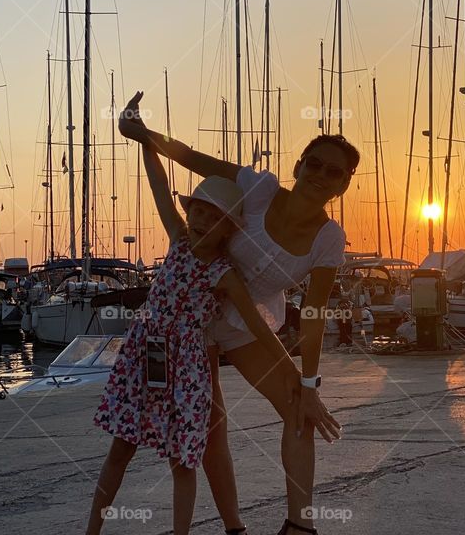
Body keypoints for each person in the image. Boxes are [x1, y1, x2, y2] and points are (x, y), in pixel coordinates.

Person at [119, 91, 357, 535]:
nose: (321, 175)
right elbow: (191, 158)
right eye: (314, 164)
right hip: (192, 316)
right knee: (212, 428)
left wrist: (308, 382)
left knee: (298, 410)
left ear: (343, 185)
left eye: (334, 172)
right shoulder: (261, 190)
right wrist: (141, 133)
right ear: (298, 166)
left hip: (247, 322)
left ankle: (299, 526)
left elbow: (314, 312)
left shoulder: (329, 238)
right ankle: (234, 527)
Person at [86, 140, 300, 535]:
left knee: (183, 460)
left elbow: (257, 325)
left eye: (212, 216)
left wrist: (292, 372)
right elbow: (157, 183)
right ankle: (91, 531)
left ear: (228, 229)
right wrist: (145, 141)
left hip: (187, 369)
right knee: (121, 448)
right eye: (197, 210)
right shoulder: (178, 241)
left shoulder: (224, 273)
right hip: (142, 356)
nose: (201, 219)